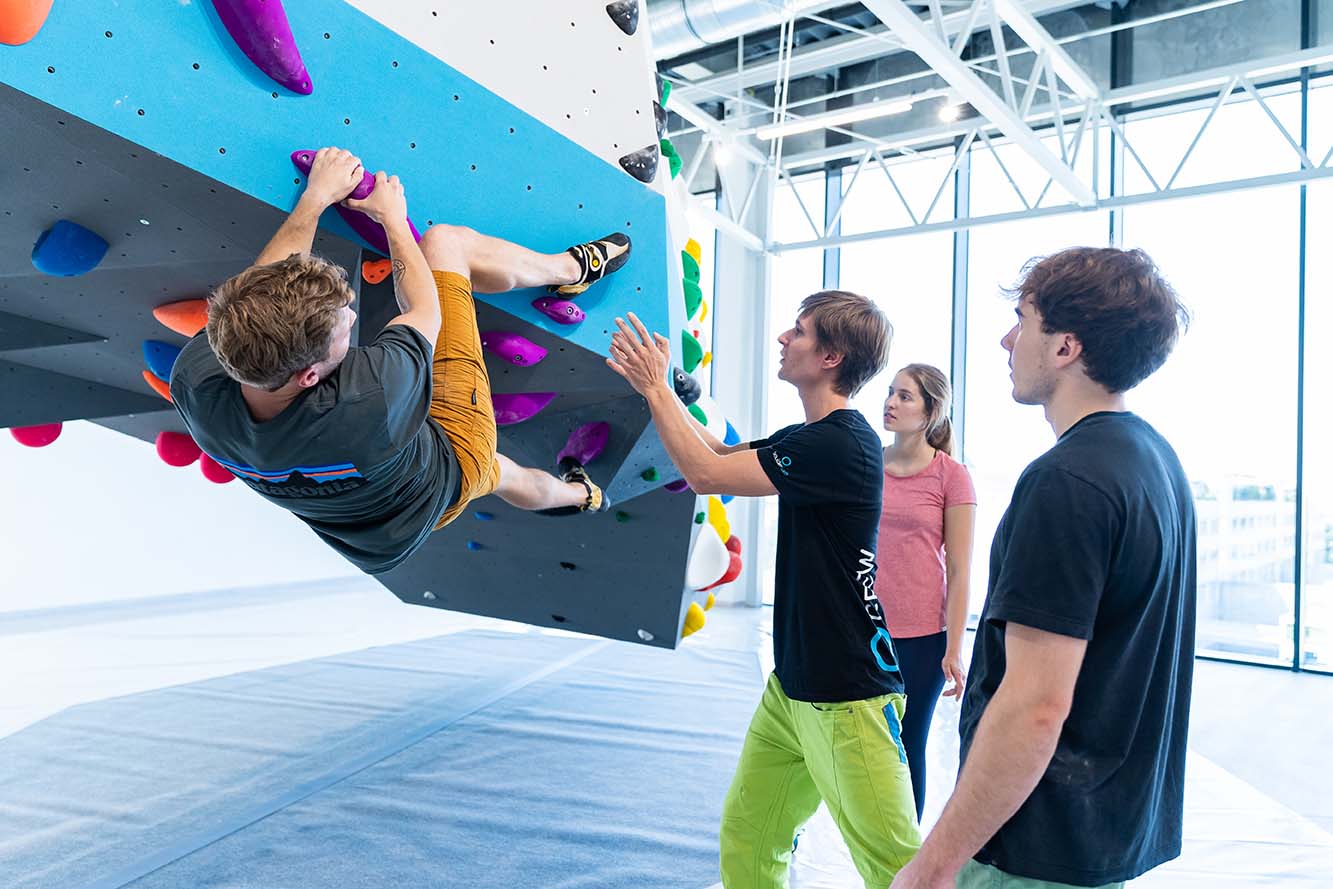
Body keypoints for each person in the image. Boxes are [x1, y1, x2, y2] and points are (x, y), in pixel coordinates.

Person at [170, 147, 630, 575]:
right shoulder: (371, 395)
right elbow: (422, 310)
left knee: (500, 473)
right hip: (452, 452)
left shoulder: (200, 383)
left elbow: (261, 287)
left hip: (386, 525)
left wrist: (315, 199)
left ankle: (583, 495)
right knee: (446, 245)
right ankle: (569, 272)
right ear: (309, 375)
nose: (352, 315)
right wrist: (393, 219)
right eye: (343, 327)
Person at [890, 246, 1195, 889]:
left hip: (1034, 850)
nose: (1006, 339)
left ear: (1065, 348)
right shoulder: (1157, 462)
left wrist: (934, 863)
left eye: (1022, 319)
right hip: (1104, 839)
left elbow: (1035, 706)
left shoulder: (1067, 483)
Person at [606, 293, 921, 887]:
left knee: (899, 868)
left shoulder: (840, 443)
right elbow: (720, 450)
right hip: (792, 690)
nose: (782, 337)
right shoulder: (808, 439)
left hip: (849, 699)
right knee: (749, 838)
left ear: (831, 355)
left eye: (797, 332)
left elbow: (705, 474)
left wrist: (655, 390)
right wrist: (664, 389)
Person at [876, 363, 976, 821]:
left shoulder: (952, 477)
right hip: (863, 629)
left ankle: (902, 860)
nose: (891, 403)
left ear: (931, 412)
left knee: (904, 742)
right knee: (845, 739)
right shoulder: (867, 463)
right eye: (890, 393)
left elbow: (959, 569)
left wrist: (954, 648)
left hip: (922, 640)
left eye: (905, 397)